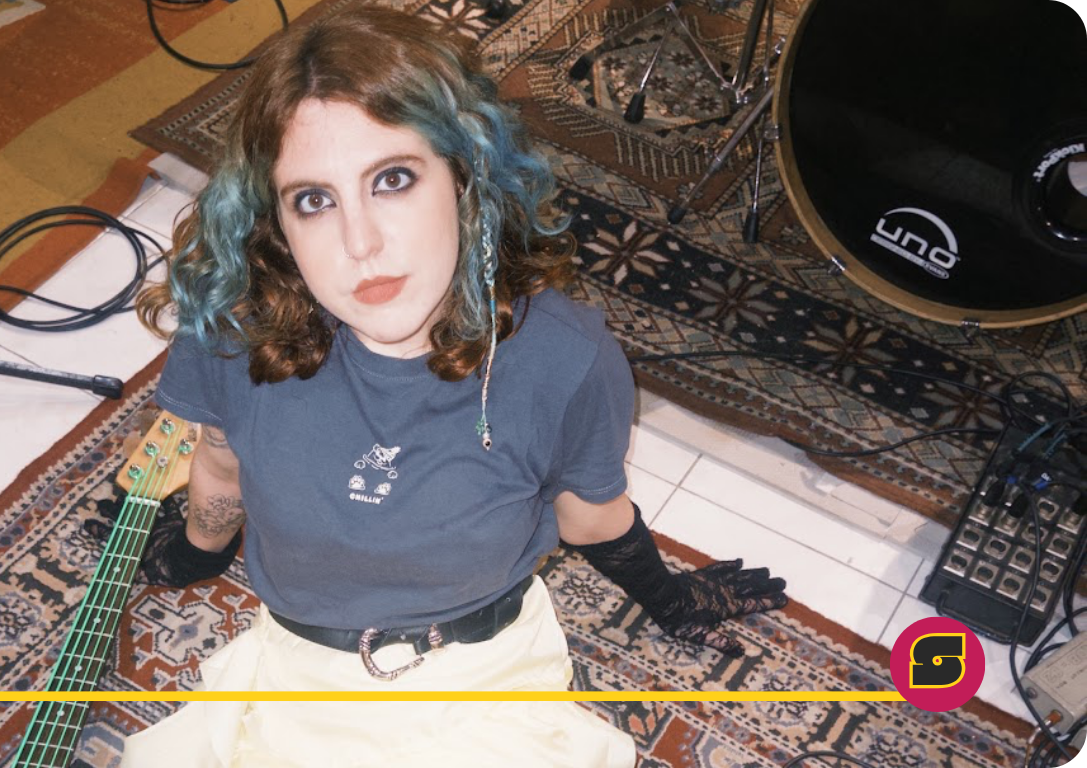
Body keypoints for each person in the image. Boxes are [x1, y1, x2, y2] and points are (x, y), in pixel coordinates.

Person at [123, 6, 787, 766]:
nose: (361, 243)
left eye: (393, 180)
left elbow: (590, 516)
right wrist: (195, 553)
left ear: (464, 177)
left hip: (484, 676)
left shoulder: (563, 358)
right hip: (298, 673)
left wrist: (670, 597)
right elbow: (219, 461)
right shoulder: (236, 330)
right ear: (276, 221)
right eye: (314, 199)